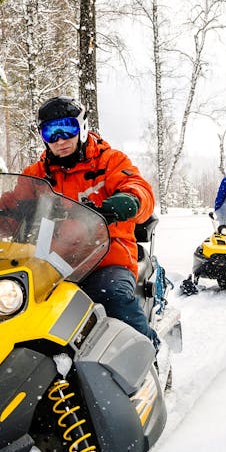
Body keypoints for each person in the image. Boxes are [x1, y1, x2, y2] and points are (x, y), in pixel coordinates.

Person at [21, 97, 160, 348]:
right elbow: (11, 205)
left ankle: (147, 354)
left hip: (106, 259)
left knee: (111, 297)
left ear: (82, 128)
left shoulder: (109, 161)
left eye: (67, 128)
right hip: (51, 263)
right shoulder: (36, 175)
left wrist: (128, 200)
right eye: (51, 132)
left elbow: (139, 188)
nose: (61, 139)